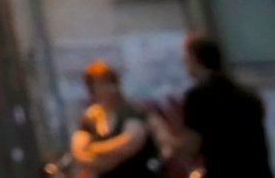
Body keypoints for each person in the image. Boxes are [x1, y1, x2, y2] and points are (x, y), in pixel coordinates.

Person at [179, 34, 272, 178]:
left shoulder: (197, 97)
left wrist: (162, 134)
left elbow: (190, 149)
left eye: (186, 59)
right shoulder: (248, 95)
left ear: (195, 59)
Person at [74, 60, 165, 178]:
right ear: (92, 90)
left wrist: (94, 149)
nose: (111, 89)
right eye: (102, 84)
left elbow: (129, 143)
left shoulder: (132, 111)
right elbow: (78, 151)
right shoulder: (89, 118)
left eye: (112, 83)